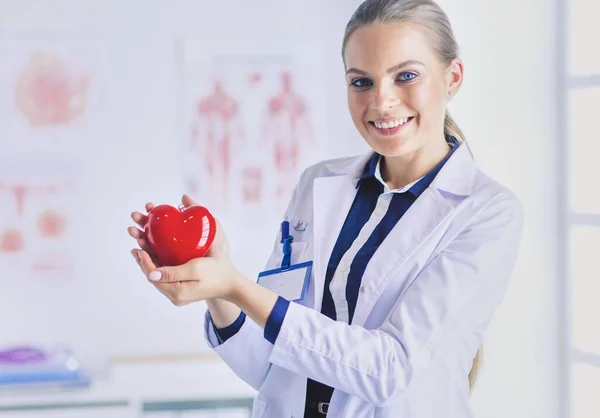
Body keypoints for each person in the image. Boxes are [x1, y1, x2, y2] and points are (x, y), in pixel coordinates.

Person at [127, 0, 524, 416]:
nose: (382, 102)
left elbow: (390, 369)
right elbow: (271, 366)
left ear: (452, 77)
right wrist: (217, 288)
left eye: (406, 76)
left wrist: (238, 287)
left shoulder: (488, 213)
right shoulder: (318, 184)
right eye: (361, 82)